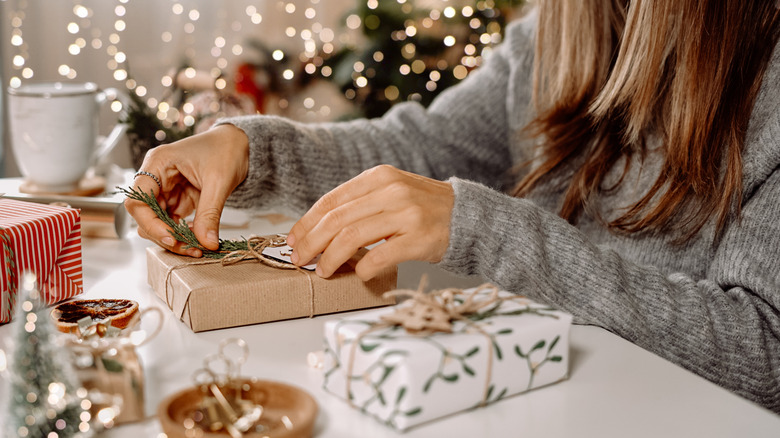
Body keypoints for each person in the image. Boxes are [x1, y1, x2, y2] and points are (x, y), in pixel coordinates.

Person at [125, 1, 780, 413]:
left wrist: (487, 231)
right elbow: (423, 146)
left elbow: (765, 353)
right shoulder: (552, 34)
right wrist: (248, 150)